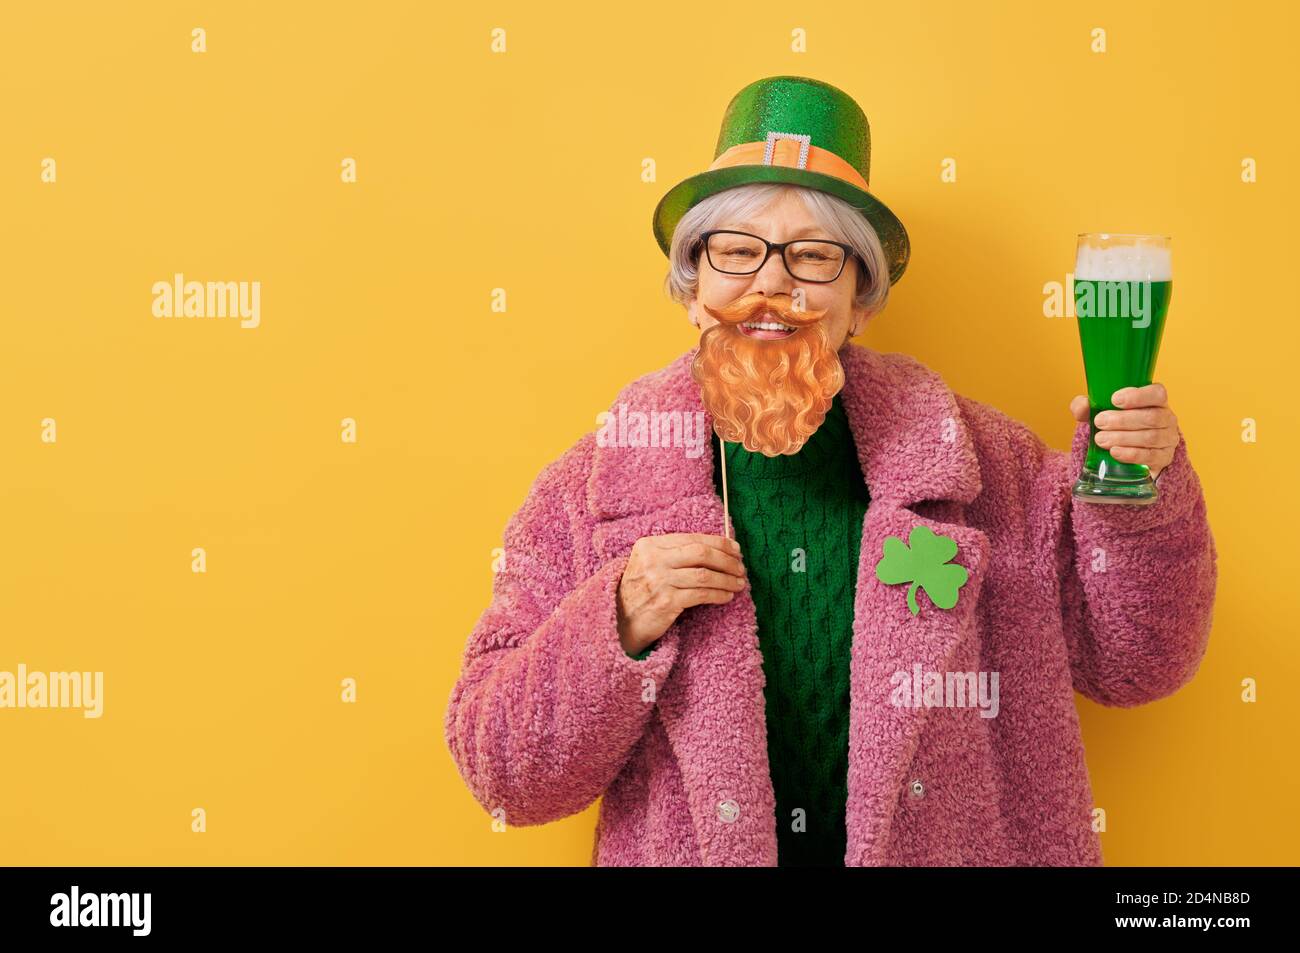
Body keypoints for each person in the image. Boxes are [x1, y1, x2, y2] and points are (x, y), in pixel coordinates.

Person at [444, 76, 1218, 866]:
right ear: (693, 289)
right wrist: (618, 618)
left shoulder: (987, 468)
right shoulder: (593, 489)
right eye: (737, 251)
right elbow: (503, 775)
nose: (771, 283)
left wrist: (1136, 495)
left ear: (862, 299)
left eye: (814, 256)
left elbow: (1136, 662)